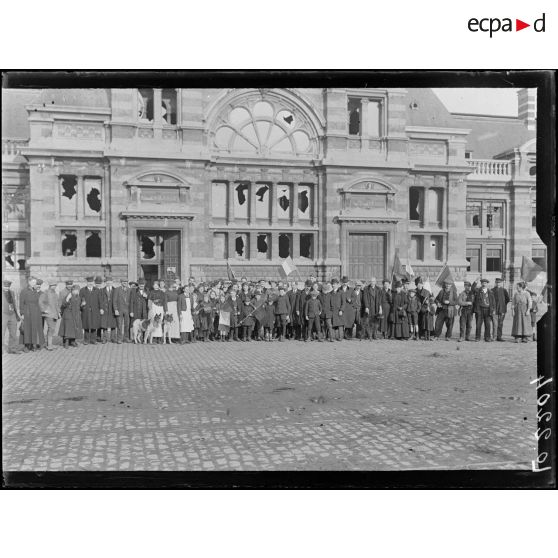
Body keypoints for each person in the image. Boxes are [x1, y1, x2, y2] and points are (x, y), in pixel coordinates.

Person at [20, 277, 45, 352]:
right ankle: (27, 346)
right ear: (29, 282)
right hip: (28, 311)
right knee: (27, 328)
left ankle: (33, 344)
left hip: (36, 312)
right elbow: (21, 303)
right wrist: (22, 313)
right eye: (33, 282)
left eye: (35, 282)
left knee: (35, 328)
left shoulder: (35, 291)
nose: (35, 284)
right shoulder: (24, 291)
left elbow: (38, 302)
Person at [39, 279, 61, 350]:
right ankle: (49, 345)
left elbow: (57, 304)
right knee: (51, 328)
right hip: (48, 314)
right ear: (50, 285)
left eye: (55, 285)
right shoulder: (45, 293)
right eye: (53, 285)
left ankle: (50, 344)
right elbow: (40, 302)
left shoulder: (55, 294)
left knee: (53, 329)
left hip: (55, 314)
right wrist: (44, 310)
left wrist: (59, 312)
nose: (54, 287)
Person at [59, 284, 82, 348]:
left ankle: (73, 341)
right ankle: (66, 342)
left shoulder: (78, 297)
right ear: (72, 290)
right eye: (74, 290)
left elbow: (79, 306)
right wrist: (67, 299)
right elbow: (63, 305)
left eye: (77, 290)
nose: (76, 292)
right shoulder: (68, 296)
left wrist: (83, 305)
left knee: (75, 328)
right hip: (68, 314)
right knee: (68, 328)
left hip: (76, 315)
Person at [80, 276, 102, 345]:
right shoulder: (82, 290)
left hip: (95, 310)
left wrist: (101, 308)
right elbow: (80, 300)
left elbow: (100, 300)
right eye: (89, 282)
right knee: (86, 325)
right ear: (86, 282)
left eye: (91, 282)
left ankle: (93, 340)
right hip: (86, 311)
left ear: (93, 282)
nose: (90, 283)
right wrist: (81, 305)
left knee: (94, 324)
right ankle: (86, 340)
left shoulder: (97, 290)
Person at [2, 279, 22, 354]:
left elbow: (15, 303)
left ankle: (12, 348)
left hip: (12, 314)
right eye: (5, 286)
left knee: (13, 332)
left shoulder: (12, 292)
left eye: (8, 286)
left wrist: (17, 314)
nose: (6, 288)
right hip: (3, 315)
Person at [113, 278, 132, 344]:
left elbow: (131, 301)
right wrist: (115, 309)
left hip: (127, 310)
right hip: (119, 310)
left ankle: (126, 338)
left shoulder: (130, 290)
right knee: (119, 324)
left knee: (127, 324)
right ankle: (119, 339)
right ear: (121, 282)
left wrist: (131, 310)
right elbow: (114, 300)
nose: (125, 283)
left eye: (126, 282)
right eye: (123, 282)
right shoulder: (117, 289)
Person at [491, 277, 510, 341]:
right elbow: (490, 300)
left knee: (500, 324)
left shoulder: (504, 290)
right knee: (494, 324)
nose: (498, 284)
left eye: (499, 282)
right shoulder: (492, 290)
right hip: (494, 310)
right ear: (495, 283)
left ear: (501, 283)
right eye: (497, 282)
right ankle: (494, 336)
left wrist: (503, 305)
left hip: (502, 310)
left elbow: (507, 299)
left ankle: (499, 336)